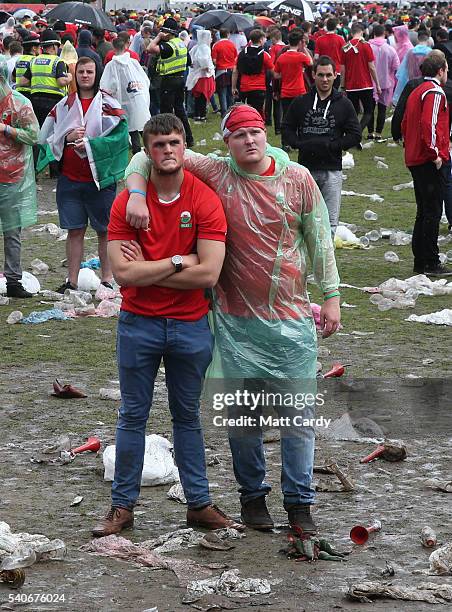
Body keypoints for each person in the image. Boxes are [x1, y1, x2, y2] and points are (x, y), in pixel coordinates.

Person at [124, 104, 341, 534]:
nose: (249, 140)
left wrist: (331, 297)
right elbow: (147, 155)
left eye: (256, 132)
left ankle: (299, 504)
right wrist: (134, 192)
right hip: (236, 323)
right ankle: (252, 497)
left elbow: (319, 238)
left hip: (292, 321)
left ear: (266, 135)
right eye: (239, 134)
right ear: (227, 142)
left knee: (298, 420)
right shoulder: (219, 173)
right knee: (244, 420)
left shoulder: (295, 178)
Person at [91, 113, 244, 537]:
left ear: (184, 147)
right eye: (159, 145)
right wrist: (181, 259)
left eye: (174, 143)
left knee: (188, 417)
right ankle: (122, 507)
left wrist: (152, 267)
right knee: (132, 416)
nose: (168, 151)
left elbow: (209, 274)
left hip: (190, 324)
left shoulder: (204, 198)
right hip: (138, 322)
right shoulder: (128, 202)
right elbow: (123, 274)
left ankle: (199, 503)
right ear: (147, 151)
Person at [37, 57, 129, 292]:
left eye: (90, 72)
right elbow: (48, 135)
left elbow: (120, 139)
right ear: (75, 75)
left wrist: (90, 145)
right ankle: (72, 281)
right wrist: (67, 137)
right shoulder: (65, 104)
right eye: (81, 72)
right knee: (74, 230)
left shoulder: (108, 103)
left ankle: (107, 279)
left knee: (104, 230)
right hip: (70, 178)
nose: (85, 76)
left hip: (100, 179)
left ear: (96, 74)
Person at [282, 56, 361, 237]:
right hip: (305, 169)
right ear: (313, 75)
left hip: (332, 169)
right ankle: (303, 262)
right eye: (320, 75)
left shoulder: (344, 104)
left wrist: (334, 146)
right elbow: (286, 126)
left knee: (330, 222)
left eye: (328, 75)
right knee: (302, 219)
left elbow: (355, 134)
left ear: (335, 76)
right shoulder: (301, 101)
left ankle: (326, 264)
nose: (325, 79)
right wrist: (298, 144)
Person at [401, 53, 452, 276]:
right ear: (440, 70)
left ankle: (421, 259)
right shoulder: (434, 92)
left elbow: (405, 123)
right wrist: (435, 154)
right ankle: (430, 260)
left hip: (415, 156)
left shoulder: (416, 91)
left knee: (423, 211)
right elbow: (429, 124)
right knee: (432, 211)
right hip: (427, 159)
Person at [0, 55, 39, 298]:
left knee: (12, 230)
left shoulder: (19, 103)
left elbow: (33, 135)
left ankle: (13, 280)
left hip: (11, 176)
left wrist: (6, 129)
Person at [147, 17, 193, 147]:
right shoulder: (180, 43)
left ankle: (167, 138)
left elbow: (150, 48)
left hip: (169, 81)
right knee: (180, 110)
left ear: (167, 32)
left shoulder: (168, 46)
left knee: (166, 111)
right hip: (180, 79)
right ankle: (188, 138)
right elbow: (189, 62)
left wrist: (158, 37)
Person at [100, 36, 150, 155]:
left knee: (132, 128)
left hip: (123, 101)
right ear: (126, 46)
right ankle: (151, 145)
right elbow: (145, 80)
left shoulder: (112, 65)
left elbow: (107, 86)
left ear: (113, 47)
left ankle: (137, 151)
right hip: (137, 98)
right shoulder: (133, 62)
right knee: (142, 125)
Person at [274, 30, 312, 149]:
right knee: (302, 117)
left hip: (286, 92)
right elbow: (311, 62)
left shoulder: (282, 57)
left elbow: (275, 75)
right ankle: (301, 141)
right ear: (300, 42)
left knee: (286, 118)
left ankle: (285, 143)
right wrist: (304, 48)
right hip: (299, 91)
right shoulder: (301, 56)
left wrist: (284, 75)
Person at [340, 22, 381, 133]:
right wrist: (377, 84)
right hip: (365, 84)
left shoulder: (345, 47)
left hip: (351, 85)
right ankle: (357, 132)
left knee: (354, 112)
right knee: (368, 112)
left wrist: (342, 85)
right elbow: (371, 67)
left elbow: (342, 69)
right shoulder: (366, 45)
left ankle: (352, 132)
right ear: (362, 31)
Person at [368, 24, 399, 139]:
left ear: (373, 33)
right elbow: (396, 66)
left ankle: (370, 132)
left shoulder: (368, 47)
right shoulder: (390, 49)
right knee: (382, 108)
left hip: (370, 82)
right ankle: (378, 133)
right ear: (384, 33)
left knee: (369, 109)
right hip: (386, 81)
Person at [233, 29, 274, 118]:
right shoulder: (265, 55)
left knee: (245, 111)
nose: (265, 40)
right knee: (258, 112)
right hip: (259, 88)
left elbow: (235, 70)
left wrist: (233, 87)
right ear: (260, 40)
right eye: (264, 39)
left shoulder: (242, 53)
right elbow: (273, 71)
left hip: (244, 87)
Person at [393, 30, 431, 104]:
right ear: (428, 40)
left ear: (418, 39)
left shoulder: (410, 52)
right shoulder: (430, 52)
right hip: (425, 83)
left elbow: (403, 70)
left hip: (411, 82)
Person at [186, 29, 215, 122]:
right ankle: (202, 115)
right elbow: (203, 59)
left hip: (197, 75)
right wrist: (206, 66)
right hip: (203, 76)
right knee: (202, 96)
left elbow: (191, 58)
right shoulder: (204, 47)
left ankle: (197, 115)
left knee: (198, 97)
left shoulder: (196, 47)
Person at [211, 28, 237, 117]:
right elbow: (235, 57)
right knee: (230, 91)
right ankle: (231, 111)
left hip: (221, 71)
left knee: (222, 92)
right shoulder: (232, 45)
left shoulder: (216, 45)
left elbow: (214, 60)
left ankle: (224, 112)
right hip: (231, 71)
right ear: (228, 34)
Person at [314, 18, 344, 89]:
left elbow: (316, 57)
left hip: (322, 71)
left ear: (326, 27)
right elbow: (345, 54)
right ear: (335, 27)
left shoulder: (319, 39)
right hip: (336, 71)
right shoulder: (340, 39)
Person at [13, 33, 40, 99]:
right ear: (34, 48)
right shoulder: (35, 60)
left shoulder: (19, 59)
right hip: (30, 94)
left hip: (18, 94)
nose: (40, 48)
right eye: (39, 46)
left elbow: (13, 78)